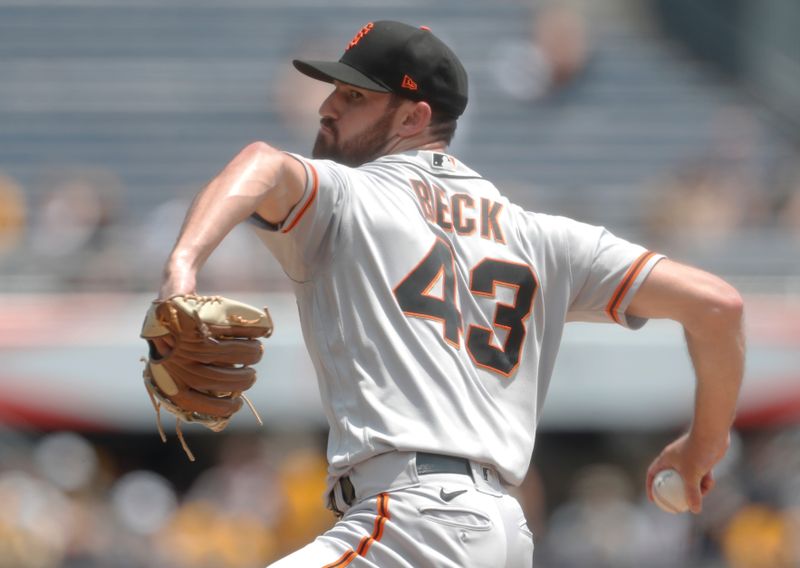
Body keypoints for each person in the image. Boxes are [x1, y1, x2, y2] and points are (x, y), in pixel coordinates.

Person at [153, 20, 745, 568]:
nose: (328, 107)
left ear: (413, 119)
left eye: (355, 96)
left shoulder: (354, 196)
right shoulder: (542, 235)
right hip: (501, 531)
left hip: (416, 518)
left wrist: (182, 270)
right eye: (333, 90)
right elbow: (717, 306)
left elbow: (261, 164)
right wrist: (702, 447)